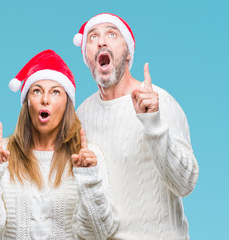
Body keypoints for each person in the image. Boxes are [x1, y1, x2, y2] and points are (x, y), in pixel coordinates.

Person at [72, 13, 199, 239]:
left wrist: (154, 124)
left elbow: (186, 184)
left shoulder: (159, 101)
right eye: (93, 37)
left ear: (128, 53)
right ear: (87, 57)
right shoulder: (81, 115)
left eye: (112, 34)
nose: (101, 41)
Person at [0, 49, 118, 239]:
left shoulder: (87, 155)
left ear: (67, 103)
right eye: (37, 91)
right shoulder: (2, 153)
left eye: (55, 92)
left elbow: (99, 232)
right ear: (27, 102)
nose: (45, 99)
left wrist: (89, 179)